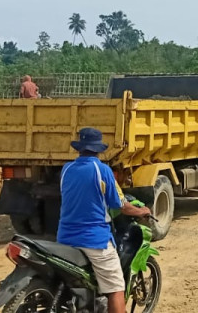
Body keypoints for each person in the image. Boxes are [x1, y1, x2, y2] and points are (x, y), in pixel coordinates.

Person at [57, 127, 151, 313]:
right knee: (116, 286)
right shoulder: (102, 170)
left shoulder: (66, 170)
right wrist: (141, 211)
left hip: (65, 238)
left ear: (79, 148)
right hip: (94, 240)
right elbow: (121, 205)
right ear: (98, 149)